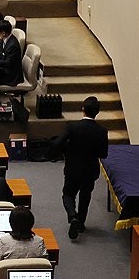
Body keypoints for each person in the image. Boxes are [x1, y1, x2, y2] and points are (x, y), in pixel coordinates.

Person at [52, 97, 109, 240]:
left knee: (68, 194)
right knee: (85, 196)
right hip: (90, 170)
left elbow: (58, 143)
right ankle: (81, 222)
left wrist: (64, 151)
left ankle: (72, 217)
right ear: (97, 113)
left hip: (73, 168)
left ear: (82, 109)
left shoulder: (72, 127)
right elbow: (103, 154)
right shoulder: (101, 131)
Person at [0, 19, 23, 86]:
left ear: (3, 33)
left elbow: (7, 63)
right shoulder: (6, 39)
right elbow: (3, 55)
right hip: (7, 69)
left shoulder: (12, 45)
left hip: (11, 76)